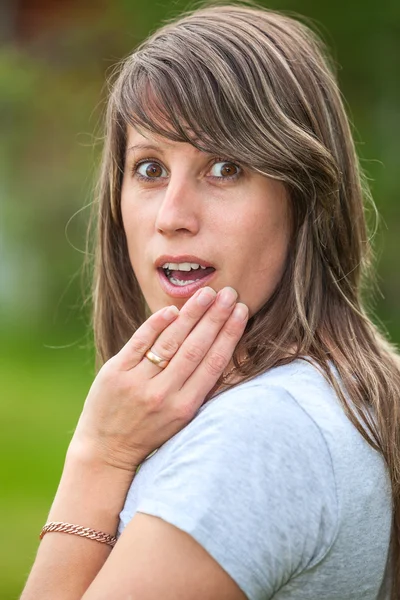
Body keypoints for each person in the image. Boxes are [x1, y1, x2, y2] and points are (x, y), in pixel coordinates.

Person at [21, 1, 400, 599]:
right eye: (149, 168)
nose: (172, 216)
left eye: (224, 168)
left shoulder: (259, 438)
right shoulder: (344, 385)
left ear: (304, 197)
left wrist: (99, 456)